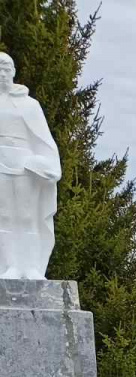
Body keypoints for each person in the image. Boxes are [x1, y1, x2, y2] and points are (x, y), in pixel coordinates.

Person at [0, 52, 62, 280]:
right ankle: (10, 266)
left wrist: (46, 165)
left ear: (13, 72)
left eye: (6, 69)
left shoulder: (29, 105)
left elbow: (42, 139)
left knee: (27, 216)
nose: (2, 75)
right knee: (4, 215)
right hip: (1, 163)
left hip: (26, 165)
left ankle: (32, 267)